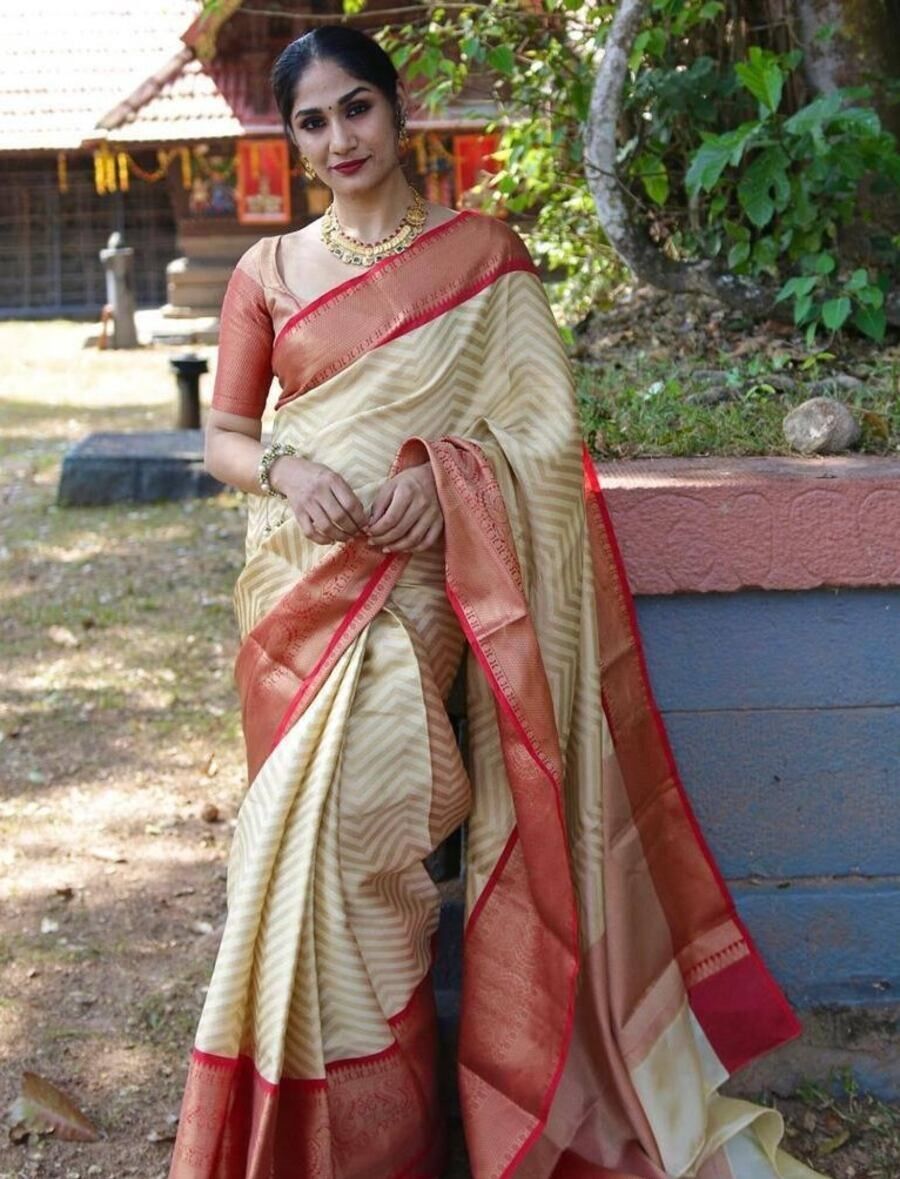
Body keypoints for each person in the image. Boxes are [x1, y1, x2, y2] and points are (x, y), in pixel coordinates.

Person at [167, 25, 828, 1179]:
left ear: (398, 107)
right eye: (312, 123)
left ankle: (379, 1132)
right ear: (293, 140)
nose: (339, 139)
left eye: (356, 108)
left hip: (430, 583)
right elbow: (222, 434)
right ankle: (349, 1136)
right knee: (288, 839)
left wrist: (447, 476)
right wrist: (288, 470)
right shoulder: (264, 273)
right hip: (300, 591)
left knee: (368, 809)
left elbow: (544, 429)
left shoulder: (482, 254)